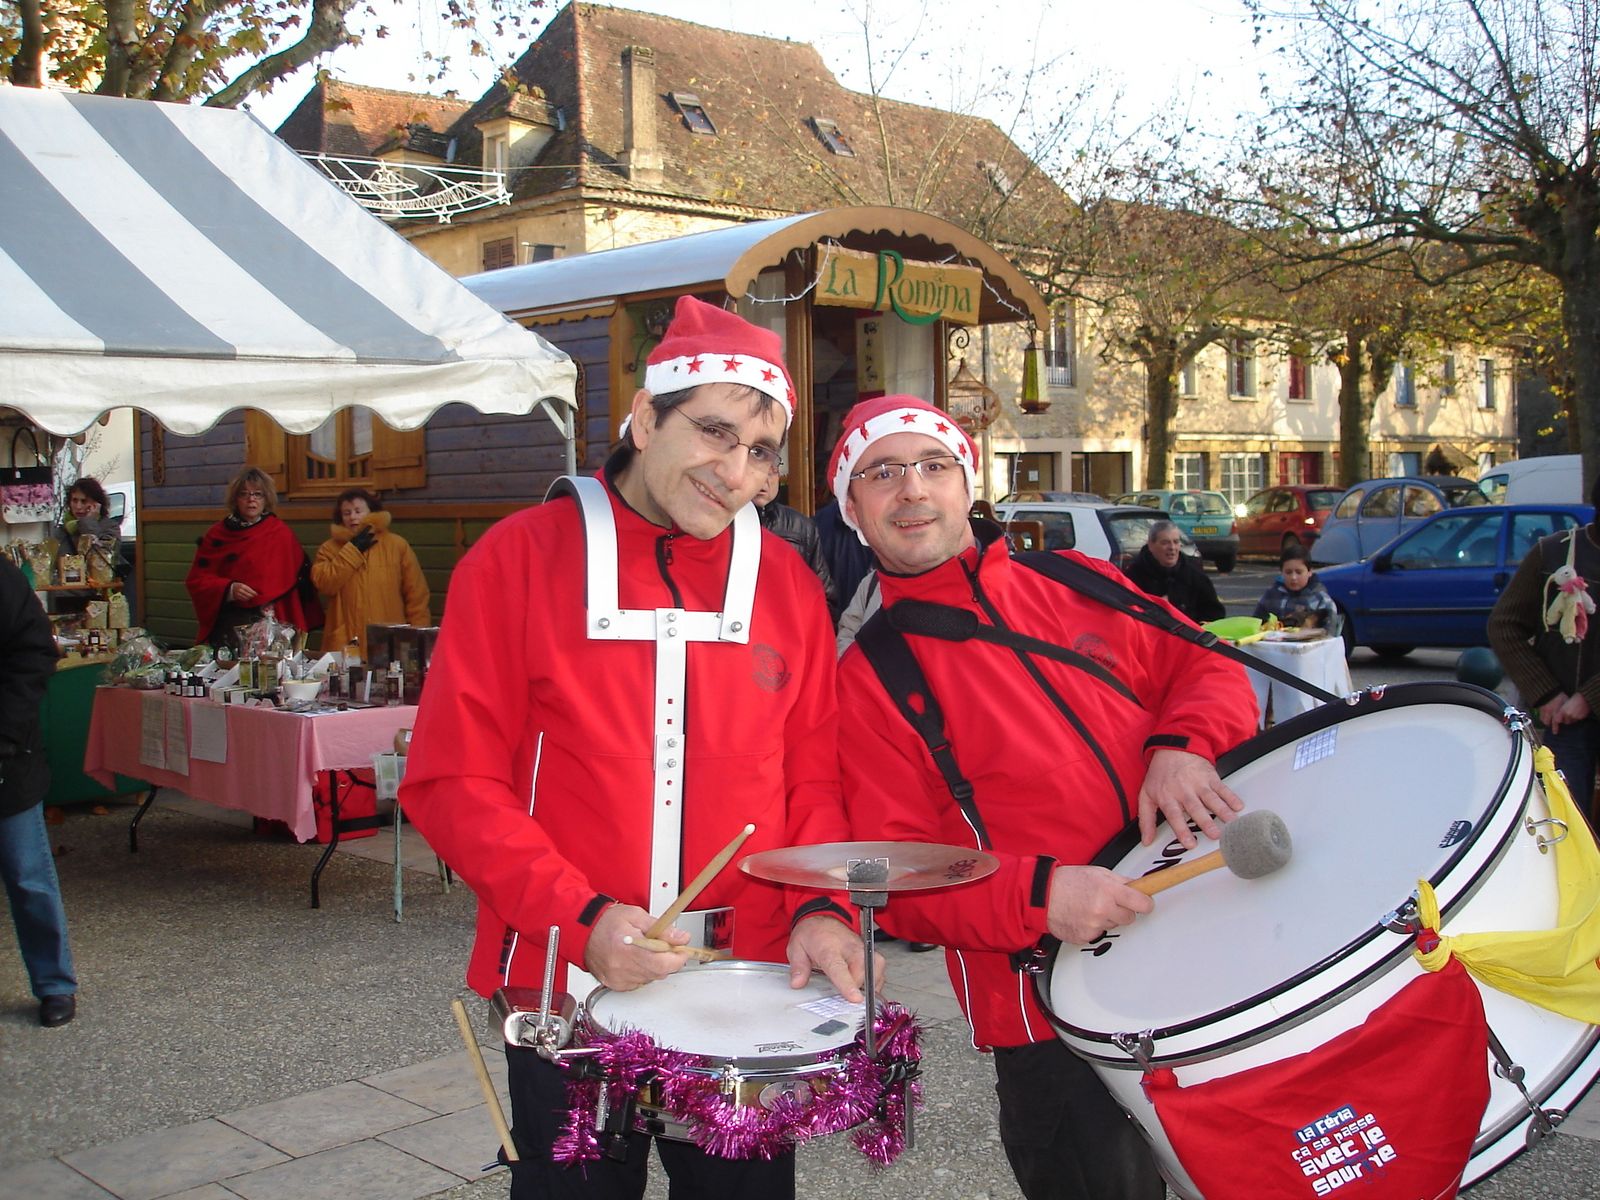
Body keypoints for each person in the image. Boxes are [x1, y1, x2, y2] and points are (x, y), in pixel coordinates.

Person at [399, 296, 871, 1200]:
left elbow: (814, 779)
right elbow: (453, 781)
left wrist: (823, 909)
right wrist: (579, 919)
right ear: (646, 418)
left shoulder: (786, 583)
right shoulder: (517, 558)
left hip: (746, 981)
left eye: (762, 450)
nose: (735, 472)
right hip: (565, 976)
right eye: (714, 433)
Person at [830, 395, 1258, 1200]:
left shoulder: (1079, 578)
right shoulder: (868, 678)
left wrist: (1183, 746)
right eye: (881, 474)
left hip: (1207, 940)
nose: (912, 489)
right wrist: (1039, 896)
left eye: (932, 465)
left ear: (968, 483)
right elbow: (894, 872)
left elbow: (1208, 664)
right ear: (853, 510)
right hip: (1050, 1007)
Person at [0, 557, 78, 1028]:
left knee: (28, 876)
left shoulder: (3, 580)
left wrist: (6, 732)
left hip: (7, 758)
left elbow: (34, 653)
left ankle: (54, 983)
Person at [1489, 480, 1600, 808]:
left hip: (1578, 706)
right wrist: (1546, 693)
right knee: (1565, 816)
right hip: (1565, 720)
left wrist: (1590, 697)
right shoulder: (1552, 553)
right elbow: (1504, 625)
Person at [184, 467, 322, 652]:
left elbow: (298, 582)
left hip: (275, 625)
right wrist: (229, 589)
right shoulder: (217, 535)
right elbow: (197, 580)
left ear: (266, 498)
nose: (251, 499)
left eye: (258, 494)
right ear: (235, 499)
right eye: (244, 494)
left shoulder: (280, 533)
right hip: (230, 625)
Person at [311, 488, 431, 659]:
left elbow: (416, 595)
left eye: (358, 511)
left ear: (371, 512)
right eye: (347, 513)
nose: (353, 517)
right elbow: (325, 584)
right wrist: (352, 551)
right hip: (345, 642)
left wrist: (417, 636)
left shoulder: (397, 546)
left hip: (388, 640)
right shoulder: (329, 549)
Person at [752, 464, 841, 618]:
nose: (764, 481)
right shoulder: (726, 523)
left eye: (771, 472)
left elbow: (824, 596)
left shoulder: (801, 527)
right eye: (757, 472)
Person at [1124, 519, 1225, 623]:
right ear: (1150, 545)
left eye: (1176, 542)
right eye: (1165, 543)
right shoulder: (1133, 576)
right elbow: (1125, 614)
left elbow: (1215, 614)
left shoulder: (1194, 574)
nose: (1172, 547)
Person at [1252, 549, 1338, 628]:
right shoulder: (1271, 596)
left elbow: (1329, 632)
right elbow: (1255, 624)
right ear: (1281, 572)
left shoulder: (1321, 599)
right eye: (1288, 572)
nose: (1293, 577)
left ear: (1309, 572)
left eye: (1299, 572)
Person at [53, 476, 121, 563]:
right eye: (74, 500)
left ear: (96, 504)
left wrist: (89, 522)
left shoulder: (110, 527)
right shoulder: (63, 530)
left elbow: (103, 558)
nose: (78, 506)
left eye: (84, 501)